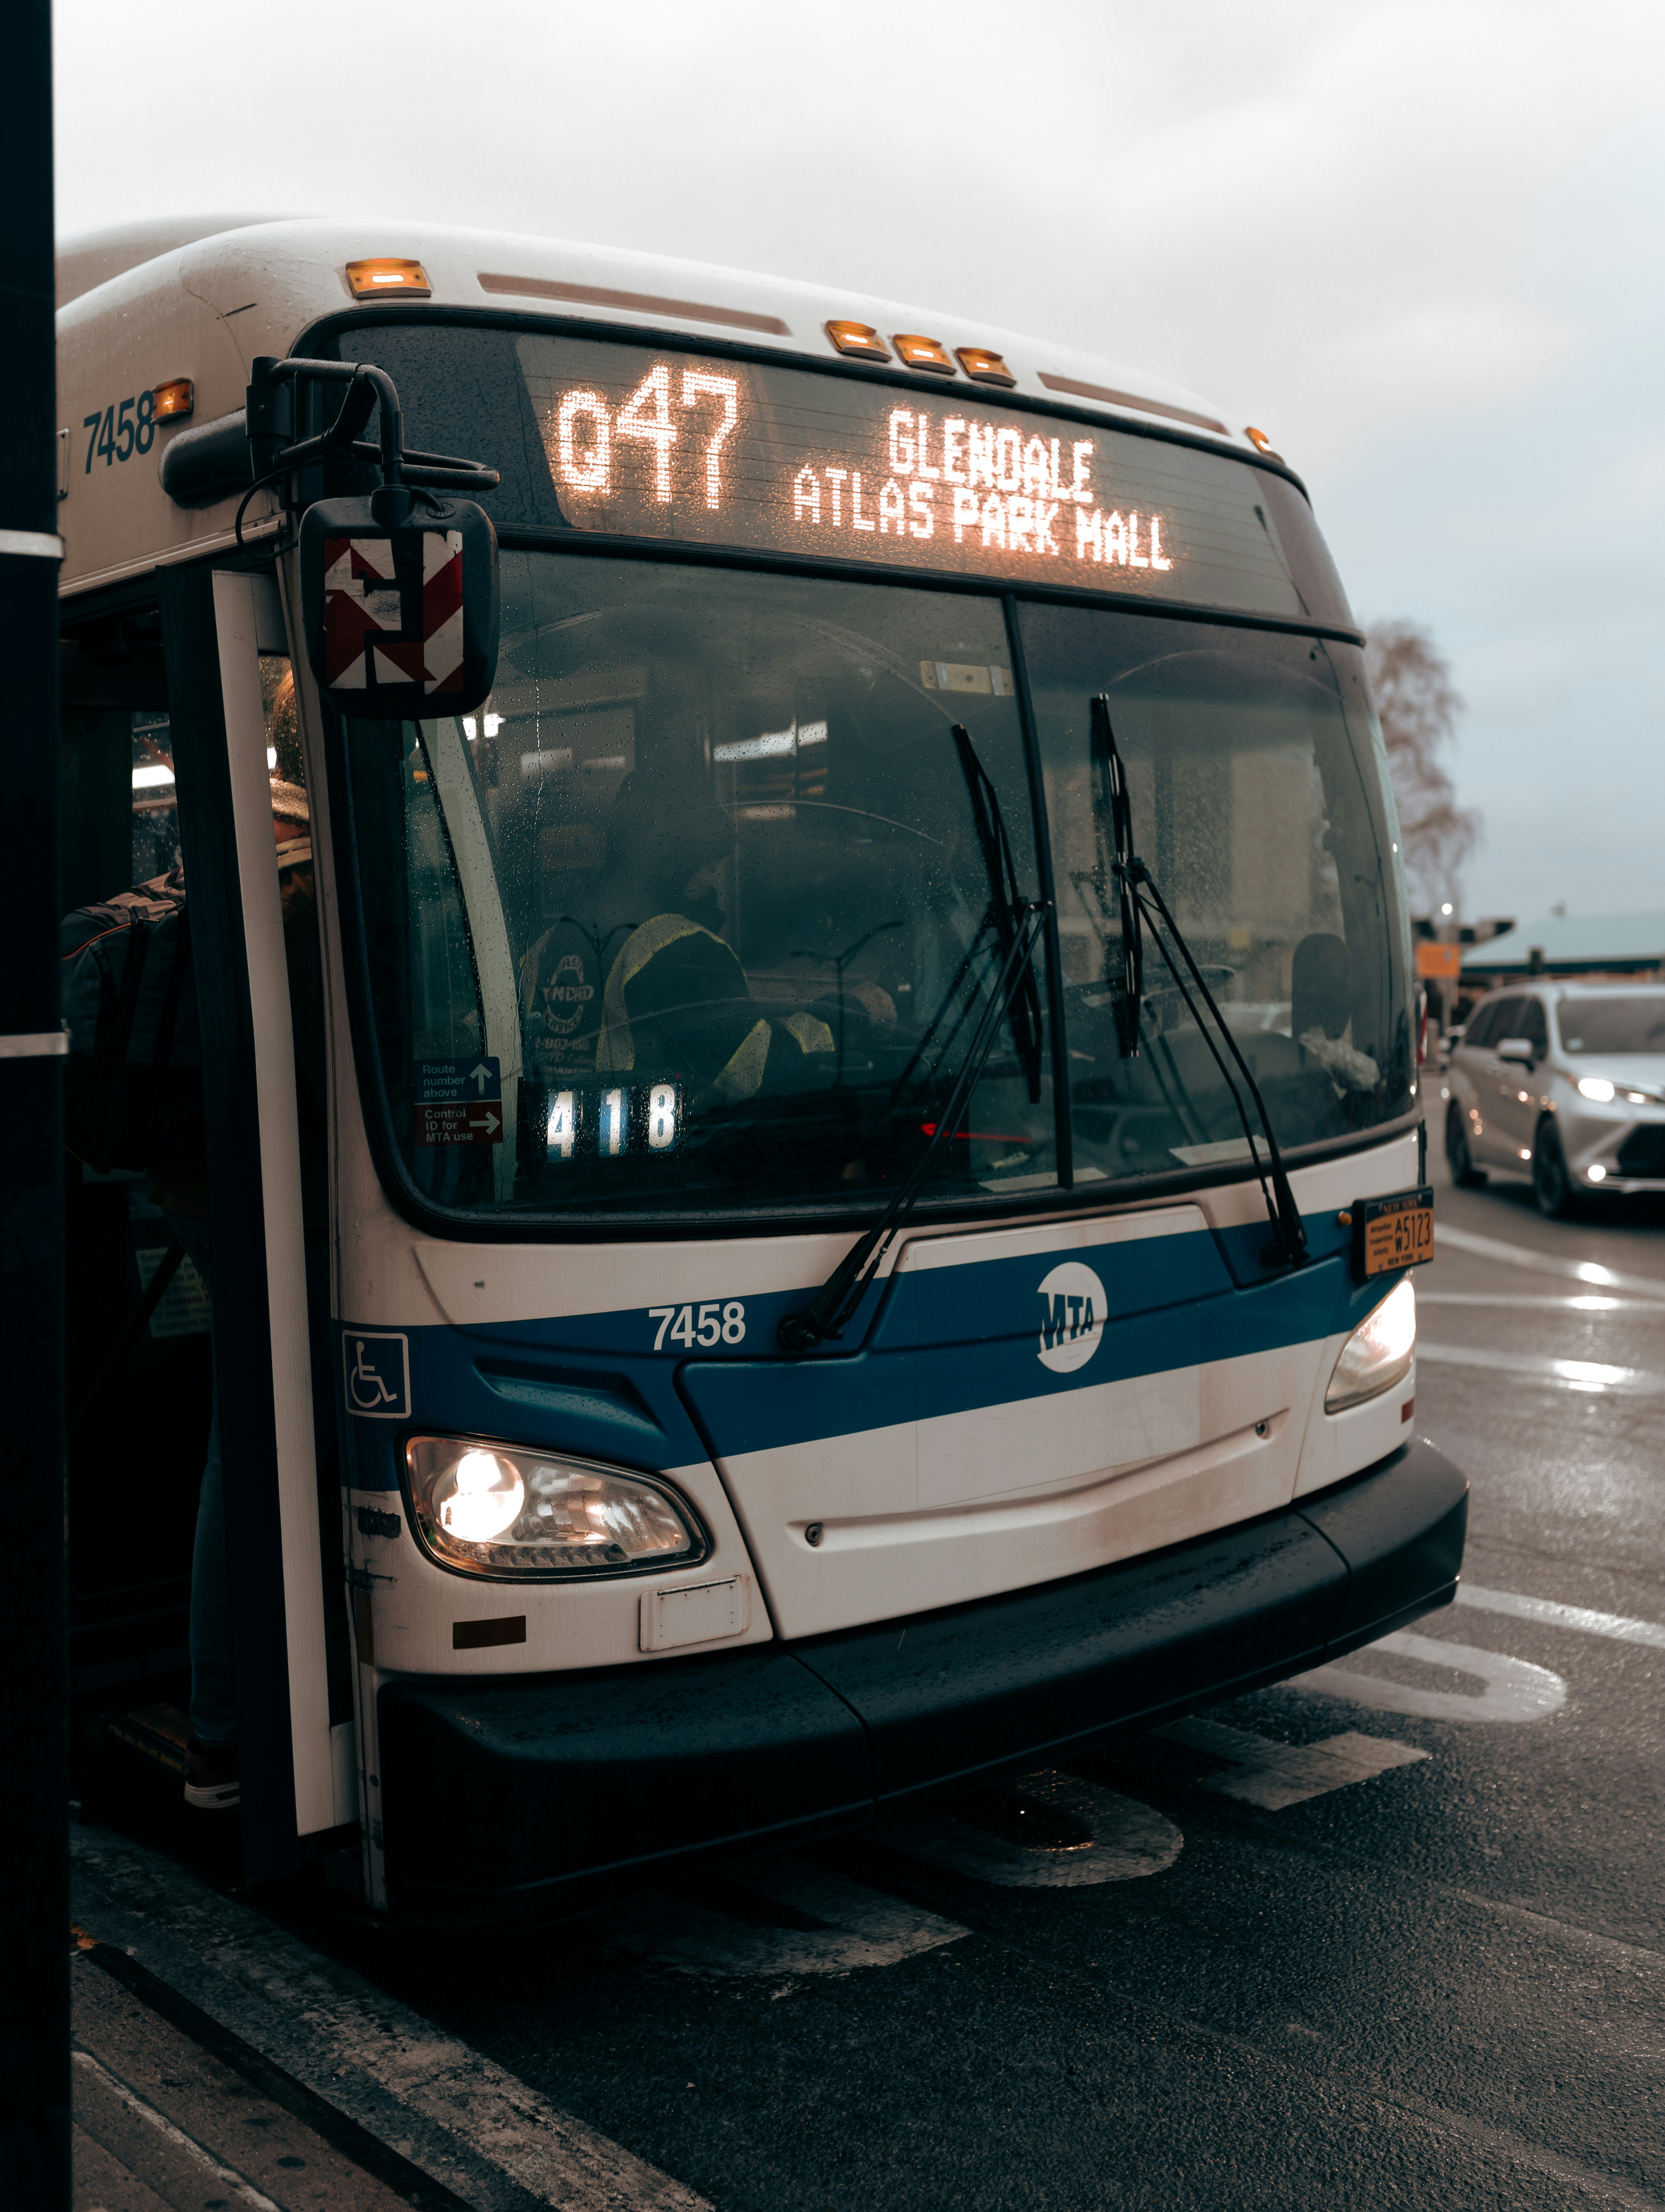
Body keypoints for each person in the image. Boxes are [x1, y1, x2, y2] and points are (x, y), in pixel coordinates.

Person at [159, 774, 324, 1809]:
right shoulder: (294, 920)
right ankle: (224, 1737)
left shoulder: (192, 905)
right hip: (262, 1202)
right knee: (252, 1448)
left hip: (199, 1192)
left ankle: (231, 1727)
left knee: (247, 1444)